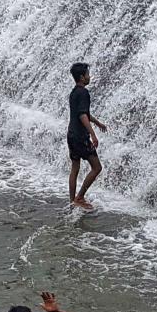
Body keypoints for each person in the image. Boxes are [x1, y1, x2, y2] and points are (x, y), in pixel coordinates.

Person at [66, 63, 107, 210]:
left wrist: (98, 123)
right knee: (97, 167)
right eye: (88, 74)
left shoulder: (74, 92)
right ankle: (80, 197)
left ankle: (73, 200)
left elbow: (83, 113)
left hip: (71, 135)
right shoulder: (84, 93)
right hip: (80, 137)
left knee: (75, 167)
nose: (89, 77)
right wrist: (93, 135)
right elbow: (83, 115)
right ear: (82, 77)